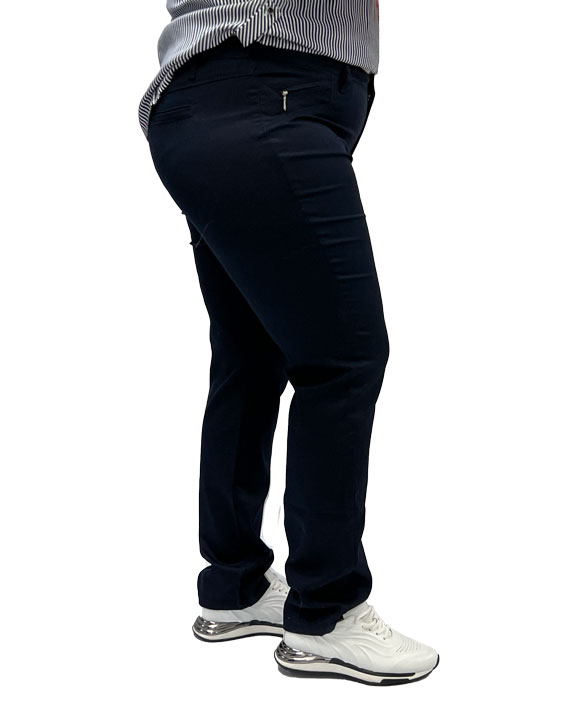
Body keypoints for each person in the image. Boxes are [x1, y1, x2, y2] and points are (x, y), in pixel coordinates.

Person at [139, 1, 439, 686]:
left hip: (208, 101)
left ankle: (235, 585)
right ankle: (326, 612)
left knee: (251, 354)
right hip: (268, 92)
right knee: (344, 356)